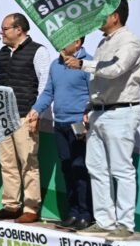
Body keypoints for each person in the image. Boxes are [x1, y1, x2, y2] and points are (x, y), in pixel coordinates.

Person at [66, 0, 140, 240]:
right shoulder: (103, 42)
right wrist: (90, 106)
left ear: (115, 16)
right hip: (99, 111)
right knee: (96, 168)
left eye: (103, 13)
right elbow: (99, 79)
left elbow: (114, 70)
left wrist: (82, 64)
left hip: (121, 111)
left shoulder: (130, 41)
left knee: (121, 169)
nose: (99, 18)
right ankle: (104, 221)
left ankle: (125, 223)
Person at [0, 13, 50, 223]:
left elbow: (44, 84)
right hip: (4, 116)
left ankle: (31, 207)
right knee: (7, 163)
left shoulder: (38, 51)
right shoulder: (3, 52)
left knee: (28, 163)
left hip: (25, 115)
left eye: (5, 29)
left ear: (19, 30)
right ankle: (11, 205)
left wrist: (37, 112)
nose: (1, 33)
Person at [28, 36, 93, 230]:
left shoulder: (87, 64)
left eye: (66, 39)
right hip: (60, 124)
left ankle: (86, 213)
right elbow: (49, 91)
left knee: (79, 167)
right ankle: (72, 211)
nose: (61, 43)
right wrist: (36, 109)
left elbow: (94, 93)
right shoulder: (56, 64)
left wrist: (87, 113)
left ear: (78, 43)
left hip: (78, 124)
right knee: (66, 167)